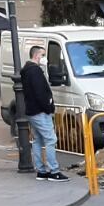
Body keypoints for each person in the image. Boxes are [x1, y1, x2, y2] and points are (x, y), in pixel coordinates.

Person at [22, 46, 68, 181]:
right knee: (50, 139)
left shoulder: (27, 70)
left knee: (37, 140)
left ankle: (41, 171)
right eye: (43, 55)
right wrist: (48, 108)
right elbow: (40, 93)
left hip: (32, 110)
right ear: (37, 56)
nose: (45, 59)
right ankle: (54, 171)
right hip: (40, 111)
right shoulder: (35, 71)